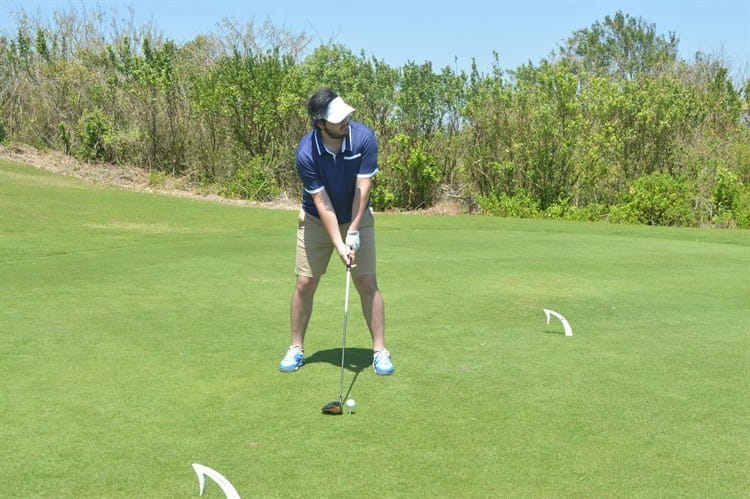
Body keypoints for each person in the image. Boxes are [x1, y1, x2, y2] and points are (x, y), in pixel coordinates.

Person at [279, 88, 393, 376]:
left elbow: (362, 187)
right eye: (337, 119)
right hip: (317, 219)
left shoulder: (363, 138)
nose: (345, 121)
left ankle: (380, 351)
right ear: (320, 124)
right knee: (305, 283)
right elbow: (322, 203)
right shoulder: (306, 153)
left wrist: (353, 230)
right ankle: (296, 347)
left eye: (345, 115)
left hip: (356, 214)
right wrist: (340, 245)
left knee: (367, 282)